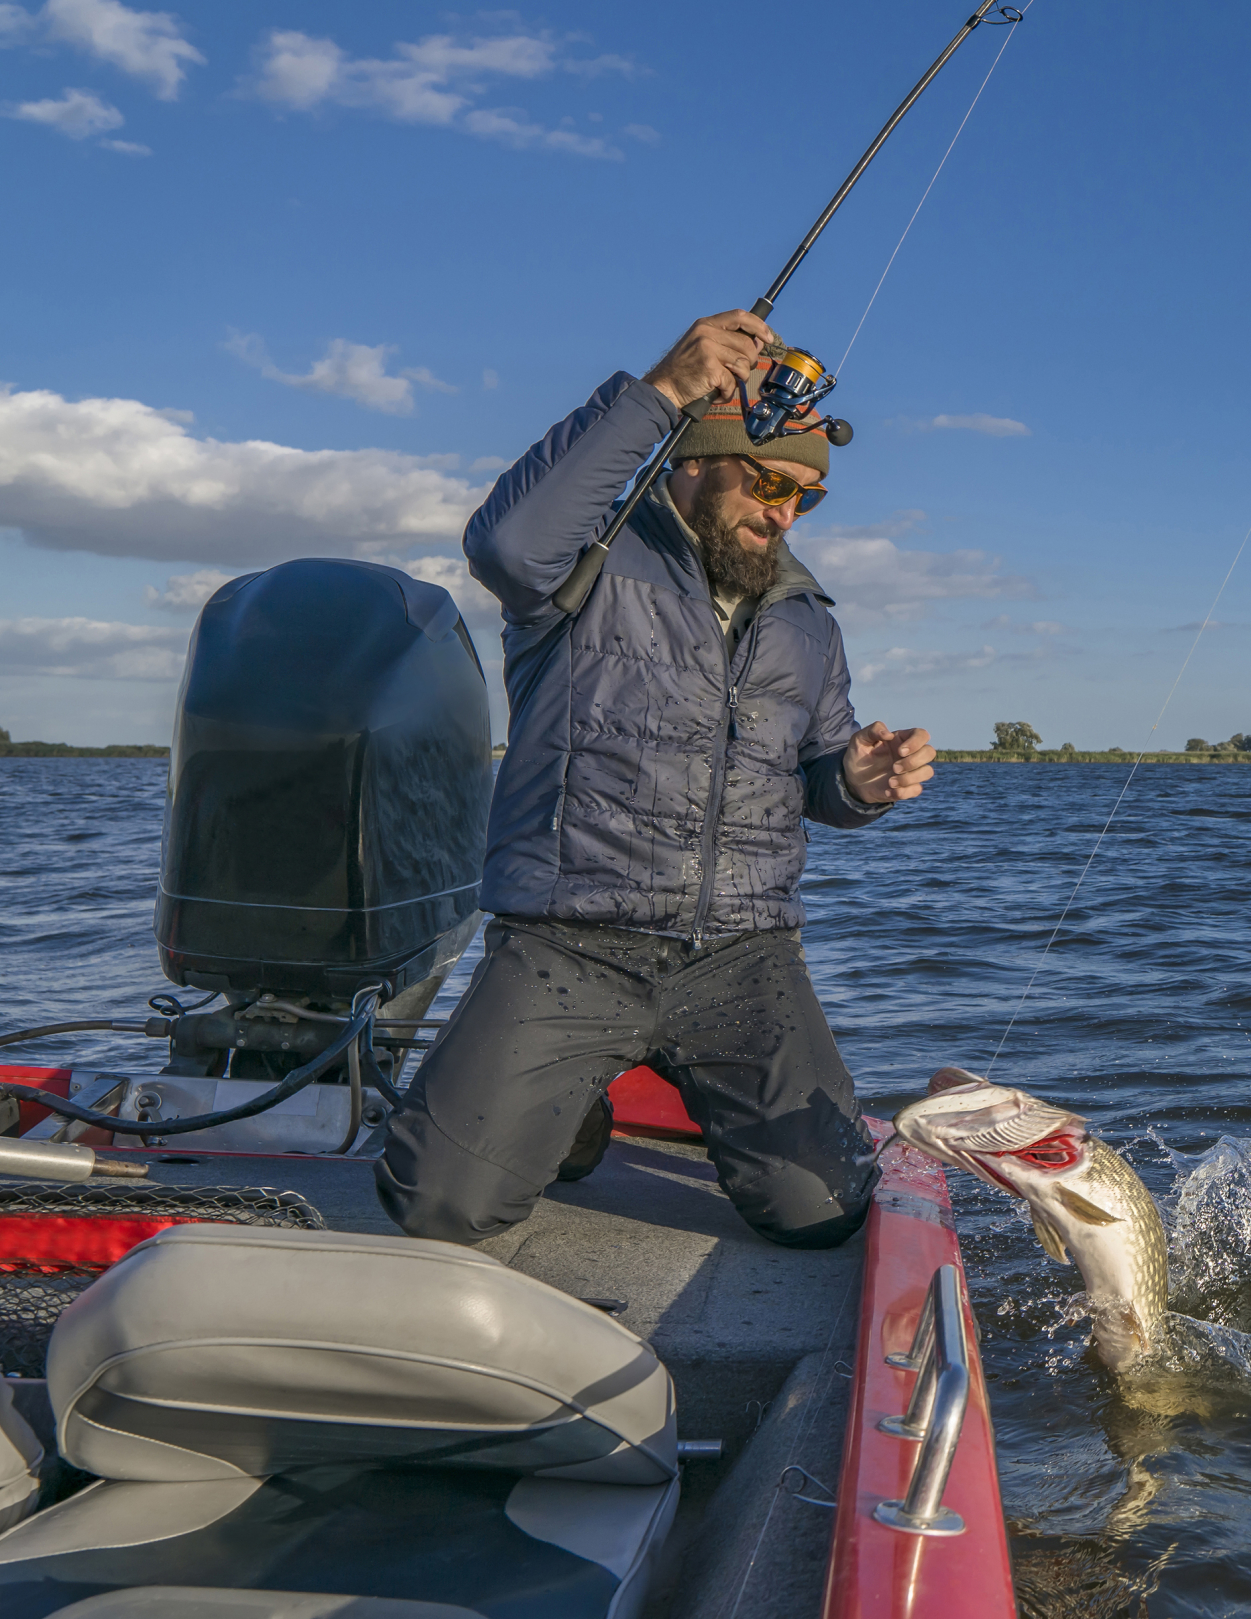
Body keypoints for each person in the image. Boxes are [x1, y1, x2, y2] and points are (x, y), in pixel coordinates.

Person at [376, 310, 934, 1249]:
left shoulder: (808, 622)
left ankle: (621, 1074)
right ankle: (573, 1091)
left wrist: (861, 783)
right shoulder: (584, 566)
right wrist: (661, 392)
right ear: (694, 462)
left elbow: (817, 779)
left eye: (806, 497)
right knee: (441, 1207)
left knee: (827, 1212)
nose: (784, 511)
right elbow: (504, 546)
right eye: (764, 481)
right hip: (572, 945)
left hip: (743, 958)